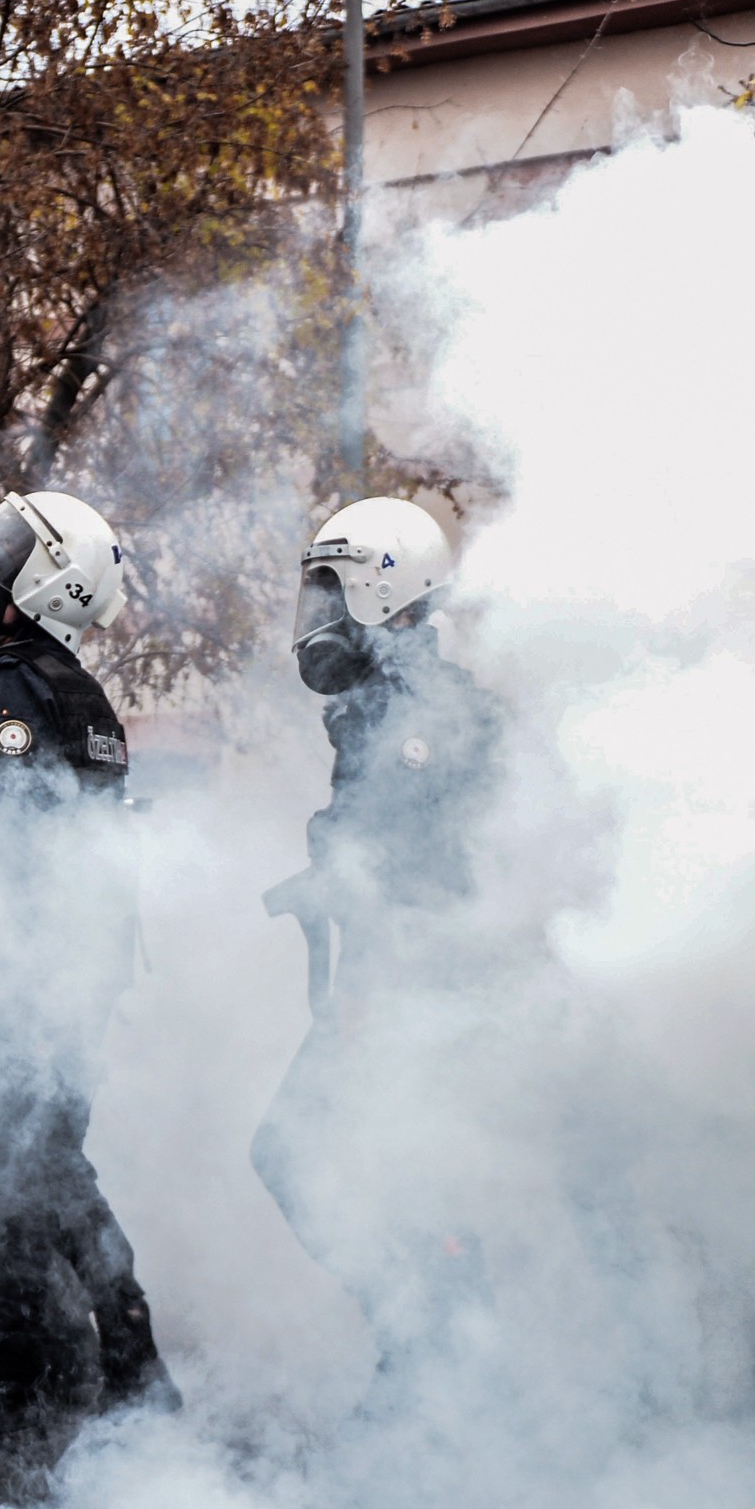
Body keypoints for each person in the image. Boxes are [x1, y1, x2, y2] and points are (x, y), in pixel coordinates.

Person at [0, 489, 174, 1470]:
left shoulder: (15, 680)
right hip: (64, 965)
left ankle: (115, 1368)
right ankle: (39, 1369)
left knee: (7, 1155)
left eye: (2, 558)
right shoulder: (71, 687)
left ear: (47, 582)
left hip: (31, 968)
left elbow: (5, 830)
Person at [250, 497, 505, 1357]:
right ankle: (438, 1352)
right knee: (394, 1168)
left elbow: (399, 861)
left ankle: (436, 1351)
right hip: (414, 985)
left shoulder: (413, 710)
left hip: (413, 987)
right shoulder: (394, 700)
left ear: (384, 593)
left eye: (333, 594)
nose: (318, 619)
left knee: (303, 1153)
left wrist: (362, 982)